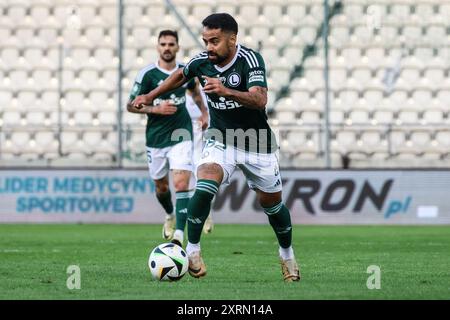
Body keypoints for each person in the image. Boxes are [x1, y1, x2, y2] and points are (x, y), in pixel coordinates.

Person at [131, 14, 300, 282]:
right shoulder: (202, 62)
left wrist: (226, 91)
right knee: (205, 180)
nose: (209, 47)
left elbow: (259, 99)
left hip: (256, 141)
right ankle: (193, 250)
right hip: (220, 137)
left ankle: (287, 254)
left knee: (273, 206)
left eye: (215, 41)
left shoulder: (250, 60)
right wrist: (150, 96)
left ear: (232, 39)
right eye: (205, 41)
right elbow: (179, 76)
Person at [127, 30, 209, 246]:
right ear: (157, 47)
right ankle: (170, 214)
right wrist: (155, 109)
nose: (167, 48)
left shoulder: (184, 72)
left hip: (181, 135)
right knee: (162, 188)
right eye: (163, 44)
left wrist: (204, 113)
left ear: (177, 47)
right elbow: (130, 105)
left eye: (171, 44)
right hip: (155, 139)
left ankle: (179, 236)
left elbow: (195, 91)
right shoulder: (147, 75)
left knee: (182, 183)